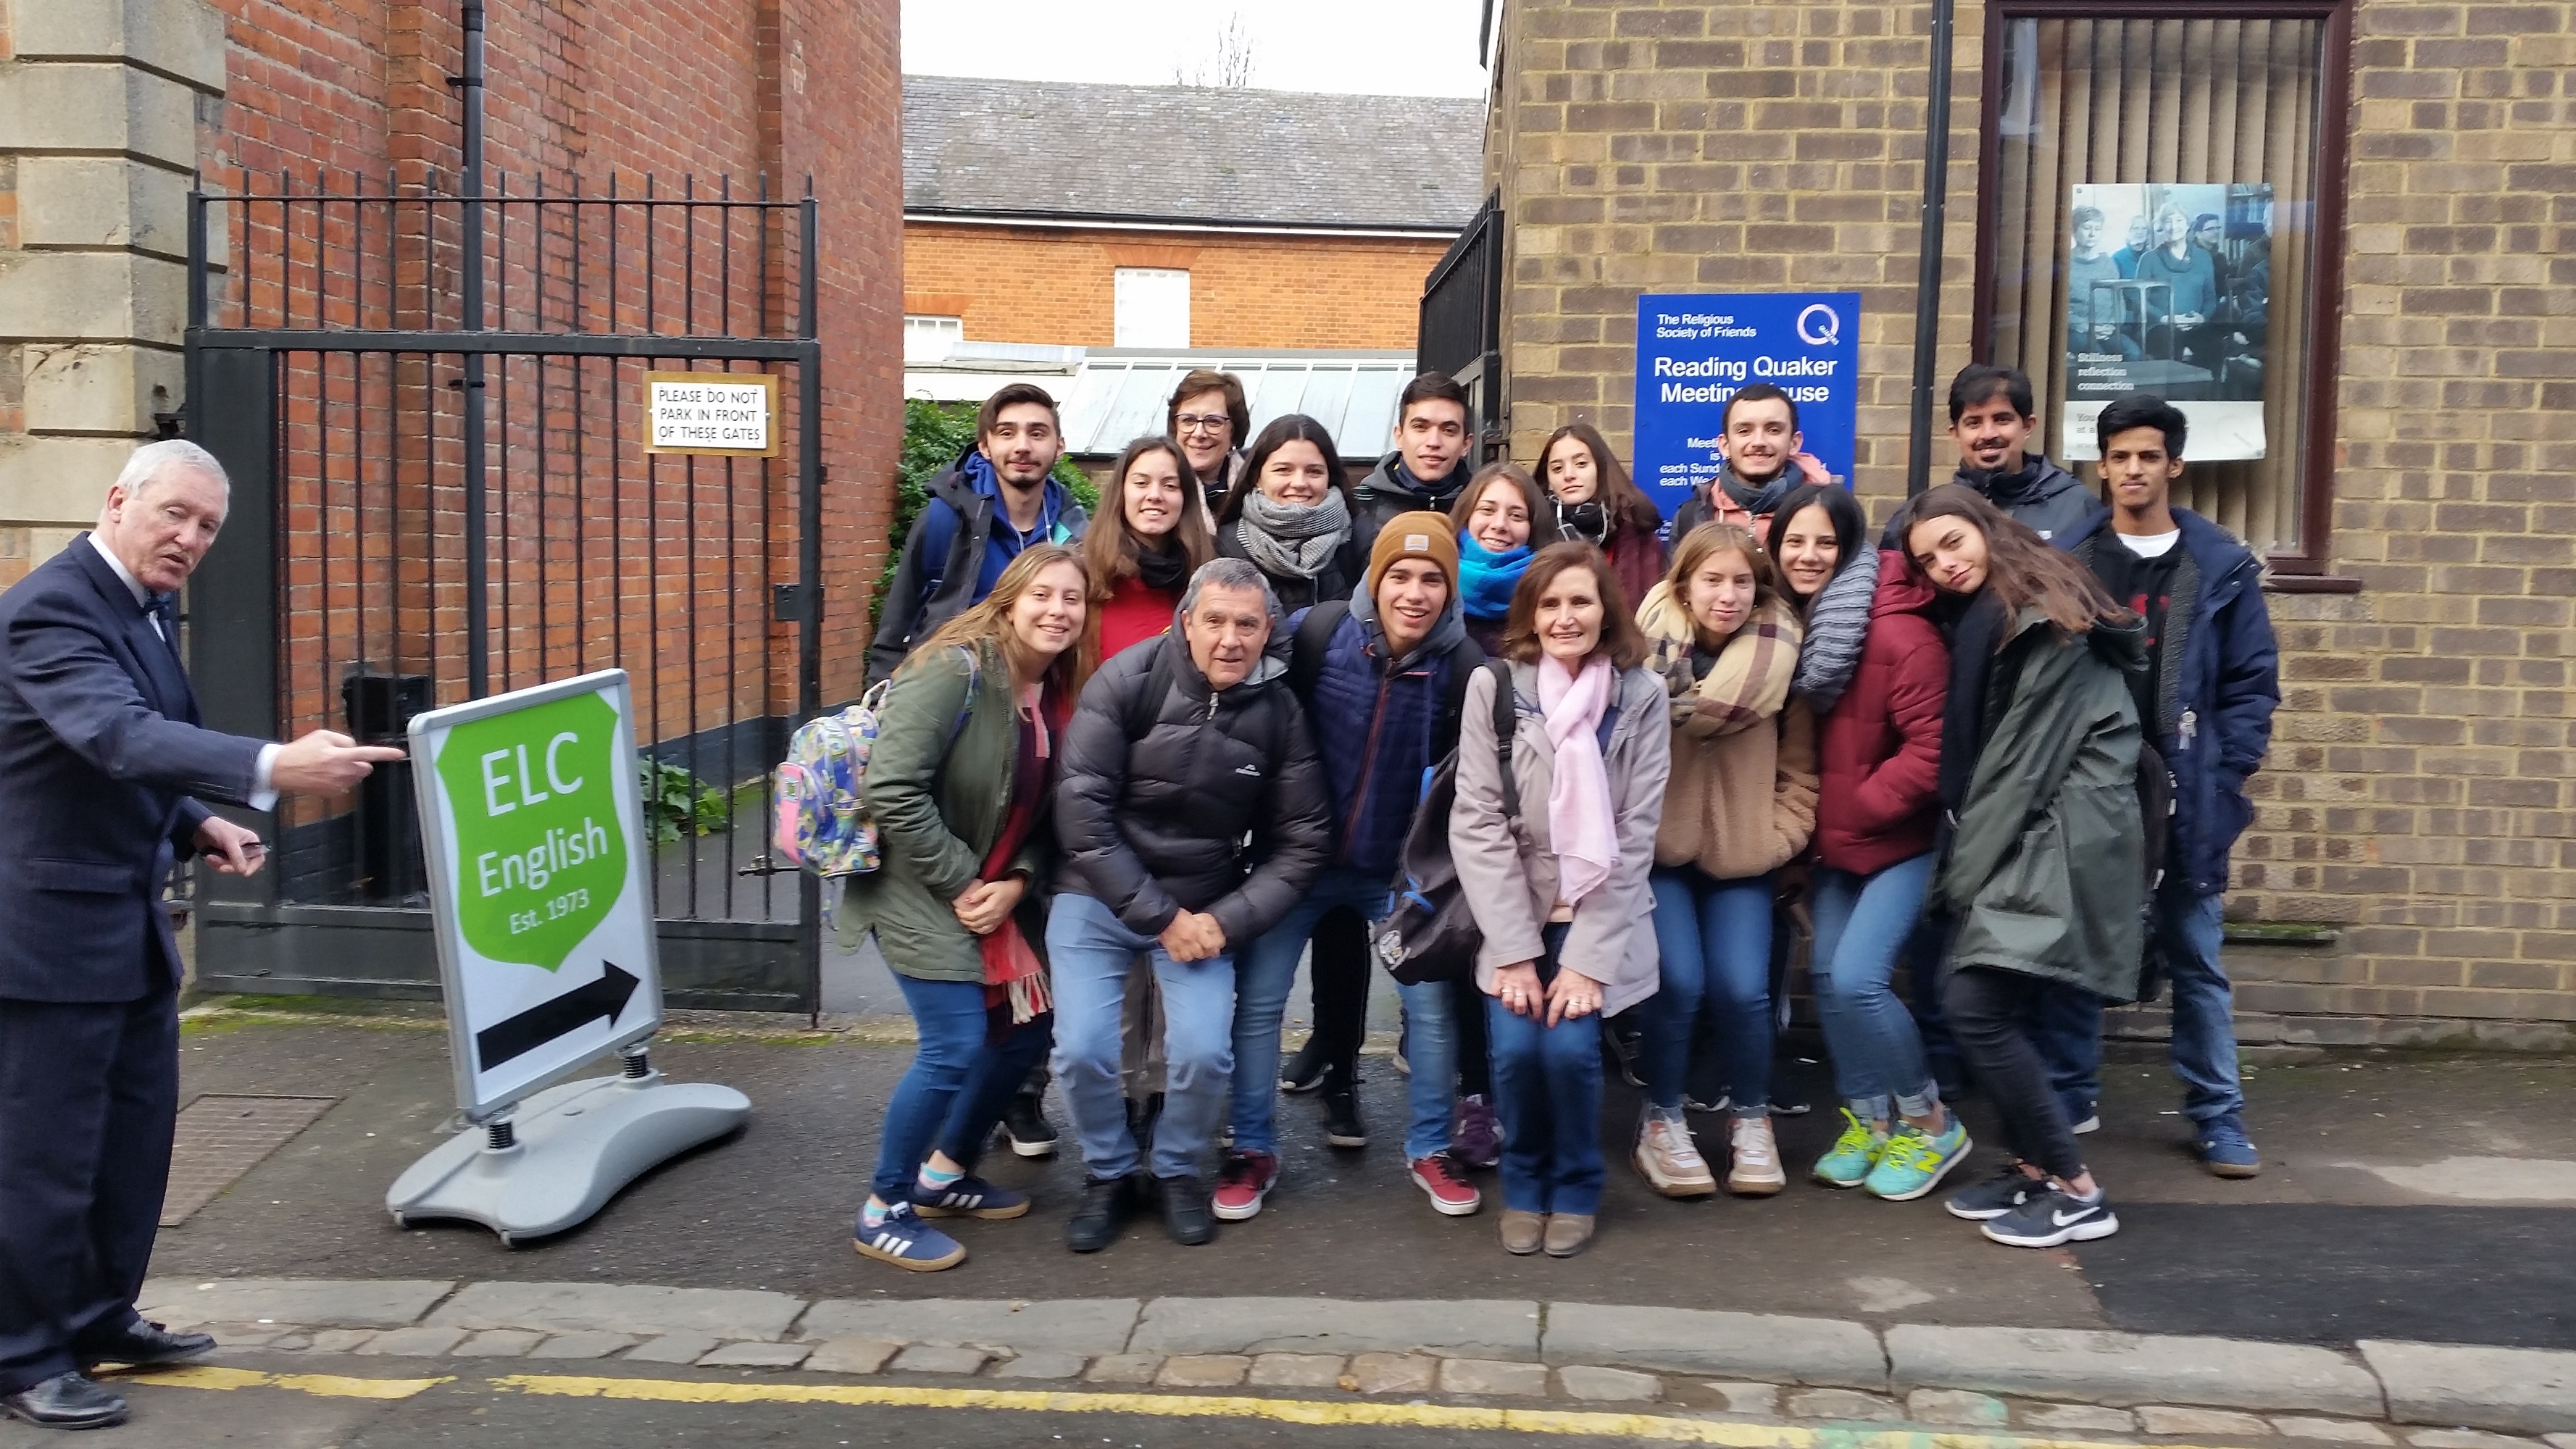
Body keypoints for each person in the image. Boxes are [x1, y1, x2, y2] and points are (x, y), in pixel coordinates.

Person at [0, 440, 406, 1429]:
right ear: (118, 501)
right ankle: (23, 1355)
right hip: (45, 934)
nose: (189, 537)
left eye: (207, 526)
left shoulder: (135, 602)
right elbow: (114, 734)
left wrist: (197, 821)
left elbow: (121, 753)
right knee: (43, 1157)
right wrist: (271, 766)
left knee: (130, 1145)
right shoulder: (51, 606)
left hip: (125, 922)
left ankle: (99, 1317)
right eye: (174, 513)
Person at [1891, 485, 2146, 1249]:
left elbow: (2018, 771)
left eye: (1952, 543)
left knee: (1973, 1004)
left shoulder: (2037, 616)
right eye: (1928, 558)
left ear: (1987, 528)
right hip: (2038, 836)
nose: (1944, 564)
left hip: (2057, 837)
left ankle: (2078, 1190)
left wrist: (1959, 879)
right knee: (1993, 1008)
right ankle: (2034, 1166)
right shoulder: (2000, 606)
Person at [1049, 559, 1330, 1251]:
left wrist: (1223, 921)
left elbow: (1303, 840)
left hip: (1203, 908)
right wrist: (1162, 919)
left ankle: (1175, 1168)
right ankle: (1109, 1172)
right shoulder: (1127, 680)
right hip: (1097, 897)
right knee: (1081, 1049)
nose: (1229, 640)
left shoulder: (1279, 713)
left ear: (1268, 630)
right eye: (1214, 621)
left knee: (1205, 1052)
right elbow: (1082, 816)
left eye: (1245, 624)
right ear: (1186, 623)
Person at [1225, 515, 1487, 1222]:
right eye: (1399, 574)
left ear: (1449, 587)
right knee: (1258, 1006)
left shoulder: (1466, 667)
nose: (1415, 591)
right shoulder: (1316, 632)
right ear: (1374, 578)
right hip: (1296, 861)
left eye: (1432, 577)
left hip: (1396, 875)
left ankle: (1432, 1145)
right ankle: (1252, 1146)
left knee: (1429, 1015)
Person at [843, 545, 1091, 1271]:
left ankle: (943, 1174)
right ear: (1009, 599)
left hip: (993, 890)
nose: (1057, 610)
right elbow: (892, 789)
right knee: (953, 1042)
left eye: (1072, 599)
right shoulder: (954, 668)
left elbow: (1049, 815)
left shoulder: (1052, 689)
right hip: (916, 886)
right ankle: (882, 1205)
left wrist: (1016, 880)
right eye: (1042, 594)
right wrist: (961, 881)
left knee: (1025, 1030)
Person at [2064, 394, 2280, 1178]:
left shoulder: (2217, 564)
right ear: (2103, 464)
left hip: (2187, 786)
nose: (2132, 469)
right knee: (2079, 945)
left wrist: (2225, 773)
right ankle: (2068, 1093)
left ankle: (2219, 1115)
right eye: (2119, 455)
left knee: (2195, 954)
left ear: (2174, 466)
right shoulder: (2072, 556)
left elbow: (2253, 681)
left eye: (2147, 456)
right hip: (2093, 782)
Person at [1452, 543, 1670, 1257]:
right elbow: (1477, 820)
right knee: (1516, 1053)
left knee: (1572, 1055)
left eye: (1580, 600)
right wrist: (1515, 951)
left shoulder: (1642, 696)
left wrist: (1586, 962)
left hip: (1597, 915)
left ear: (1606, 608)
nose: (1565, 616)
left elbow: (1636, 837)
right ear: (1529, 615)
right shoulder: (1495, 687)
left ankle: (1575, 1186)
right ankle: (1524, 1183)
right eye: (1549, 603)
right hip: (1514, 911)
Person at [1633, 524, 1815, 1198]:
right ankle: (1662, 1120)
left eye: (1742, 581)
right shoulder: (1641, 659)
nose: (1728, 595)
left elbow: (1801, 776)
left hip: (1743, 856)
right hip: (1660, 852)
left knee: (1743, 990)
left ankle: (1749, 1118)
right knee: (1677, 985)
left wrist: (1774, 841)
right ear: (1684, 585)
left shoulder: (1781, 663)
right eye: (1712, 580)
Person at [1803, 526, 1970, 1200]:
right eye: (1792, 542)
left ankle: (1930, 1122)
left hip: (1900, 840)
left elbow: (1933, 753)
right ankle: (1870, 1121)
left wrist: (1858, 807)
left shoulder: (1903, 636)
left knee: (1857, 979)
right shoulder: (1815, 633)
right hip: (1839, 844)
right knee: (1822, 972)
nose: (1804, 555)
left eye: (1820, 543)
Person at [870, 383, 1088, 685]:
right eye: (1007, 433)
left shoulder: (1075, 534)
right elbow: (897, 620)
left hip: (1038, 700)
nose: (1022, 446)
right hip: (949, 697)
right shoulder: (945, 519)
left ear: (1059, 446)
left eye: (1037, 433)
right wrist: (881, 695)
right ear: (985, 446)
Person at [1216, 414, 1364, 617]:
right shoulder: (1223, 547)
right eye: (1283, 470)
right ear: (1257, 476)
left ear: (1330, 477)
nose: (1299, 483)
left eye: (1314, 471)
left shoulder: (1358, 537)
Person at [1085, 435, 1217, 658]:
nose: (1155, 495)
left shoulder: (1210, 579)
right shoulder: (1087, 577)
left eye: (1170, 485)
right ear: (1121, 492)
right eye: (1141, 483)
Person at [1768, 483, 1876, 715]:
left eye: (1827, 543)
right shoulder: (1750, 610)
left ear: (1850, 548)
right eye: (1795, 542)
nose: (1808, 556)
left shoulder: (1883, 626)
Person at [1538, 422, 1667, 611]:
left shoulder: (1639, 533)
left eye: (1581, 464)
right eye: (1557, 469)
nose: (1568, 475)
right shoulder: (1535, 532)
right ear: (1548, 480)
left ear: (1601, 469)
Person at [1671, 384, 1830, 536]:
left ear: (1794, 443)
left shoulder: (1833, 510)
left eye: (1773, 430)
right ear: (1725, 445)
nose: (1758, 442)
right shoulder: (1691, 517)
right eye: (1744, 431)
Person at [1351, 372, 1475, 551]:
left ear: (1466, 444)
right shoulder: (1358, 507)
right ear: (1399, 436)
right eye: (1420, 427)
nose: (1434, 442)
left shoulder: (1483, 512)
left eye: (1448, 430)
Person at [1451, 462, 1549, 655]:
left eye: (1516, 516)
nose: (1500, 525)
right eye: (1487, 510)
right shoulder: (1433, 583)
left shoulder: (1550, 597)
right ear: (1467, 516)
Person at [2135, 206, 2219, 369]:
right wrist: (2165, 318)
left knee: (2214, 345)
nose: (2174, 226)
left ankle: (2204, 393)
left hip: (2195, 324)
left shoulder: (2203, 257)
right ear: (2161, 227)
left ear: (2188, 225)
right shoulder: (2149, 258)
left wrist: (2201, 318)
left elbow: (2210, 297)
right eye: (2168, 221)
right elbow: (2135, 297)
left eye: (2179, 220)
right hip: (2159, 326)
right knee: (2170, 342)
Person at [1168, 369, 1251, 512]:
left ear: (1234, 432)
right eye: (1188, 420)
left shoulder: (1259, 493)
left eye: (1213, 422)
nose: (1199, 433)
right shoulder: (1154, 494)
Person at [2067, 205, 2140, 360]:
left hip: (2108, 329)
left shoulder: (2108, 263)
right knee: (2099, 357)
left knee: (2134, 353)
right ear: (2074, 231)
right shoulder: (2065, 264)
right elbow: (2059, 308)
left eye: (2098, 229)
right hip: (2078, 330)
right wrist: (2085, 326)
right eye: (2087, 228)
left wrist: (2112, 324)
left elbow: (2119, 299)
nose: (2093, 234)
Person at [2113, 212, 2154, 279]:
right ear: (2128, 231)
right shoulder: (2117, 258)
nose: (2140, 232)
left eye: (2144, 228)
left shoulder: (2153, 257)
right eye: (2136, 228)